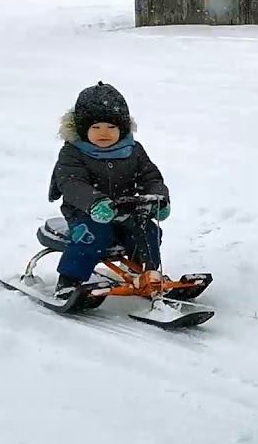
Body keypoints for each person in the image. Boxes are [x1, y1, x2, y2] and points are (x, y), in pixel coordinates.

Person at [48, 82, 170, 296]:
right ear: (83, 129)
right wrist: (94, 202)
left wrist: (159, 199)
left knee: (148, 231)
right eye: (96, 128)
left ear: (122, 128)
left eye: (111, 128)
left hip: (126, 210)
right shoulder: (73, 153)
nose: (103, 133)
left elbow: (150, 177)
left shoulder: (132, 150)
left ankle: (144, 272)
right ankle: (69, 280)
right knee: (93, 236)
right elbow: (72, 183)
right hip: (84, 212)